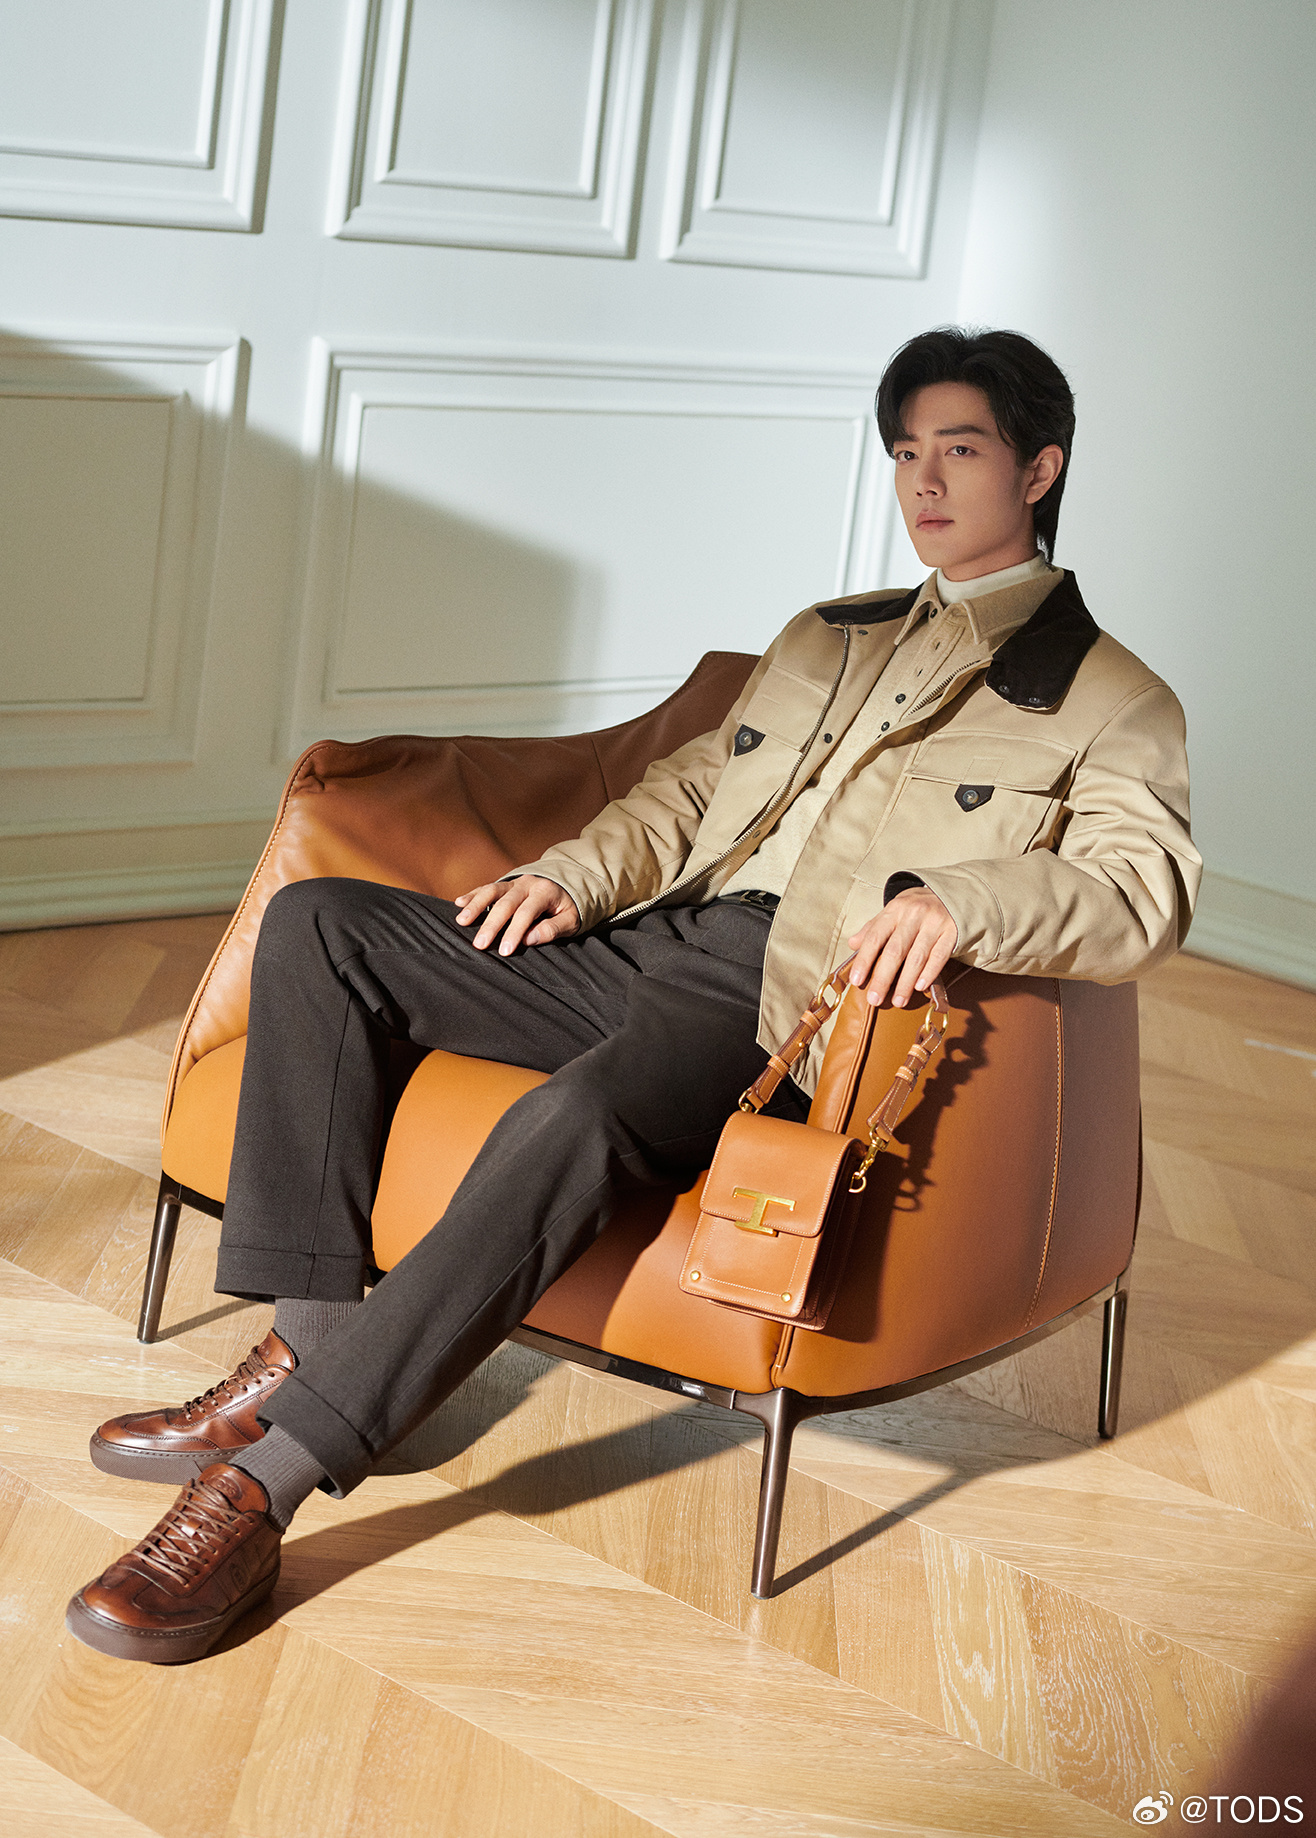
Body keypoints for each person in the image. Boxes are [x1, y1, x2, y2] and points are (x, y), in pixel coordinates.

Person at [65, 327, 1201, 1664]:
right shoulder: (824, 635)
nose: (925, 482)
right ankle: (308, 1353)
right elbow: (685, 790)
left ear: (1041, 469)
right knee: (324, 927)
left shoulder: (1108, 695)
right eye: (907, 452)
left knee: (575, 1118)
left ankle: (265, 1482)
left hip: (781, 999)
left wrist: (963, 901)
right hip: (650, 938)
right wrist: (573, 874)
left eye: (961, 450)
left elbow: (1144, 889)